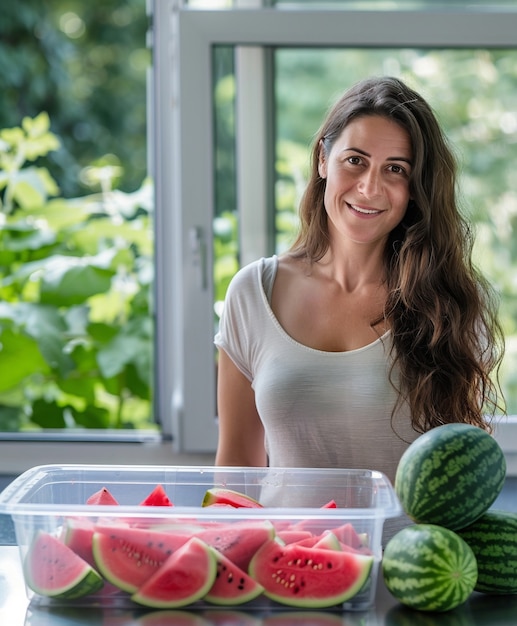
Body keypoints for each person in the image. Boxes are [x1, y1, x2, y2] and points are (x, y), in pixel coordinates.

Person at [214, 76, 505, 490]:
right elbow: (236, 465)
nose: (369, 187)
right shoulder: (253, 292)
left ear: (415, 188)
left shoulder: (448, 303)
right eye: (355, 160)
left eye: (395, 169)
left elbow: (461, 474)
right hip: (286, 552)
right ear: (322, 160)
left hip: (408, 554)